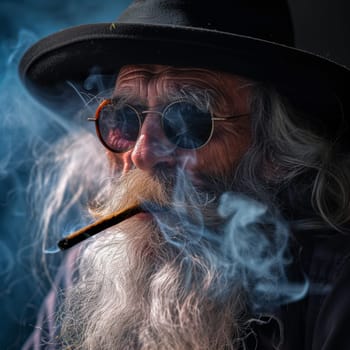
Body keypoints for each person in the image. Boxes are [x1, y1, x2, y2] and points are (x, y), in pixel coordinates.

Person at [19, 0, 350, 349]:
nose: (143, 154)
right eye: (124, 118)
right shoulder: (95, 266)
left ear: (272, 151)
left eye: (189, 121)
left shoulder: (335, 288)